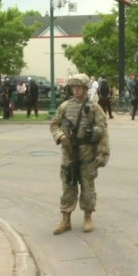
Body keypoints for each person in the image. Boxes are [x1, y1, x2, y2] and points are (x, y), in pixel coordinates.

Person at [49, 73, 110, 235]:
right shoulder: (65, 106)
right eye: (74, 87)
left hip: (87, 151)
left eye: (79, 87)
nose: (76, 90)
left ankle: (88, 217)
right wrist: (61, 136)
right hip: (69, 151)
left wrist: (102, 153)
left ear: (85, 89)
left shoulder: (95, 108)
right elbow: (54, 125)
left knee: (87, 185)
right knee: (68, 184)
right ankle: (65, 219)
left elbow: (103, 131)